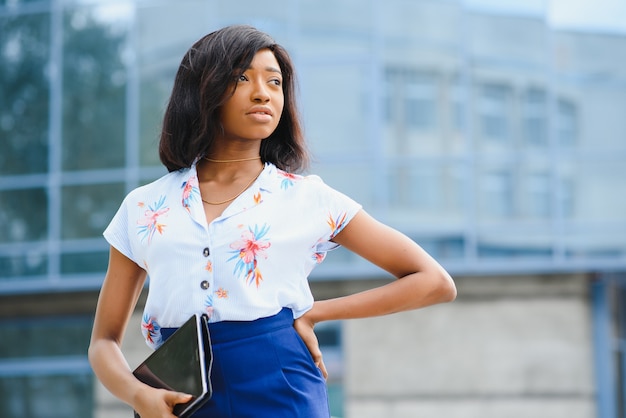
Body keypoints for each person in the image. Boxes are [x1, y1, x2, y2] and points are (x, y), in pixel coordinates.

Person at [88, 24, 456, 418]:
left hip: (281, 381)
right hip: (179, 393)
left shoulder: (309, 198)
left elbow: (433, 281)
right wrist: (137, 394)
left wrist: (318, 313)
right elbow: (103, 341)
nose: (263, 92)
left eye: (275, 81)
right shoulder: (144, 205)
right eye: (242, 78)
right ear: (201, 91)